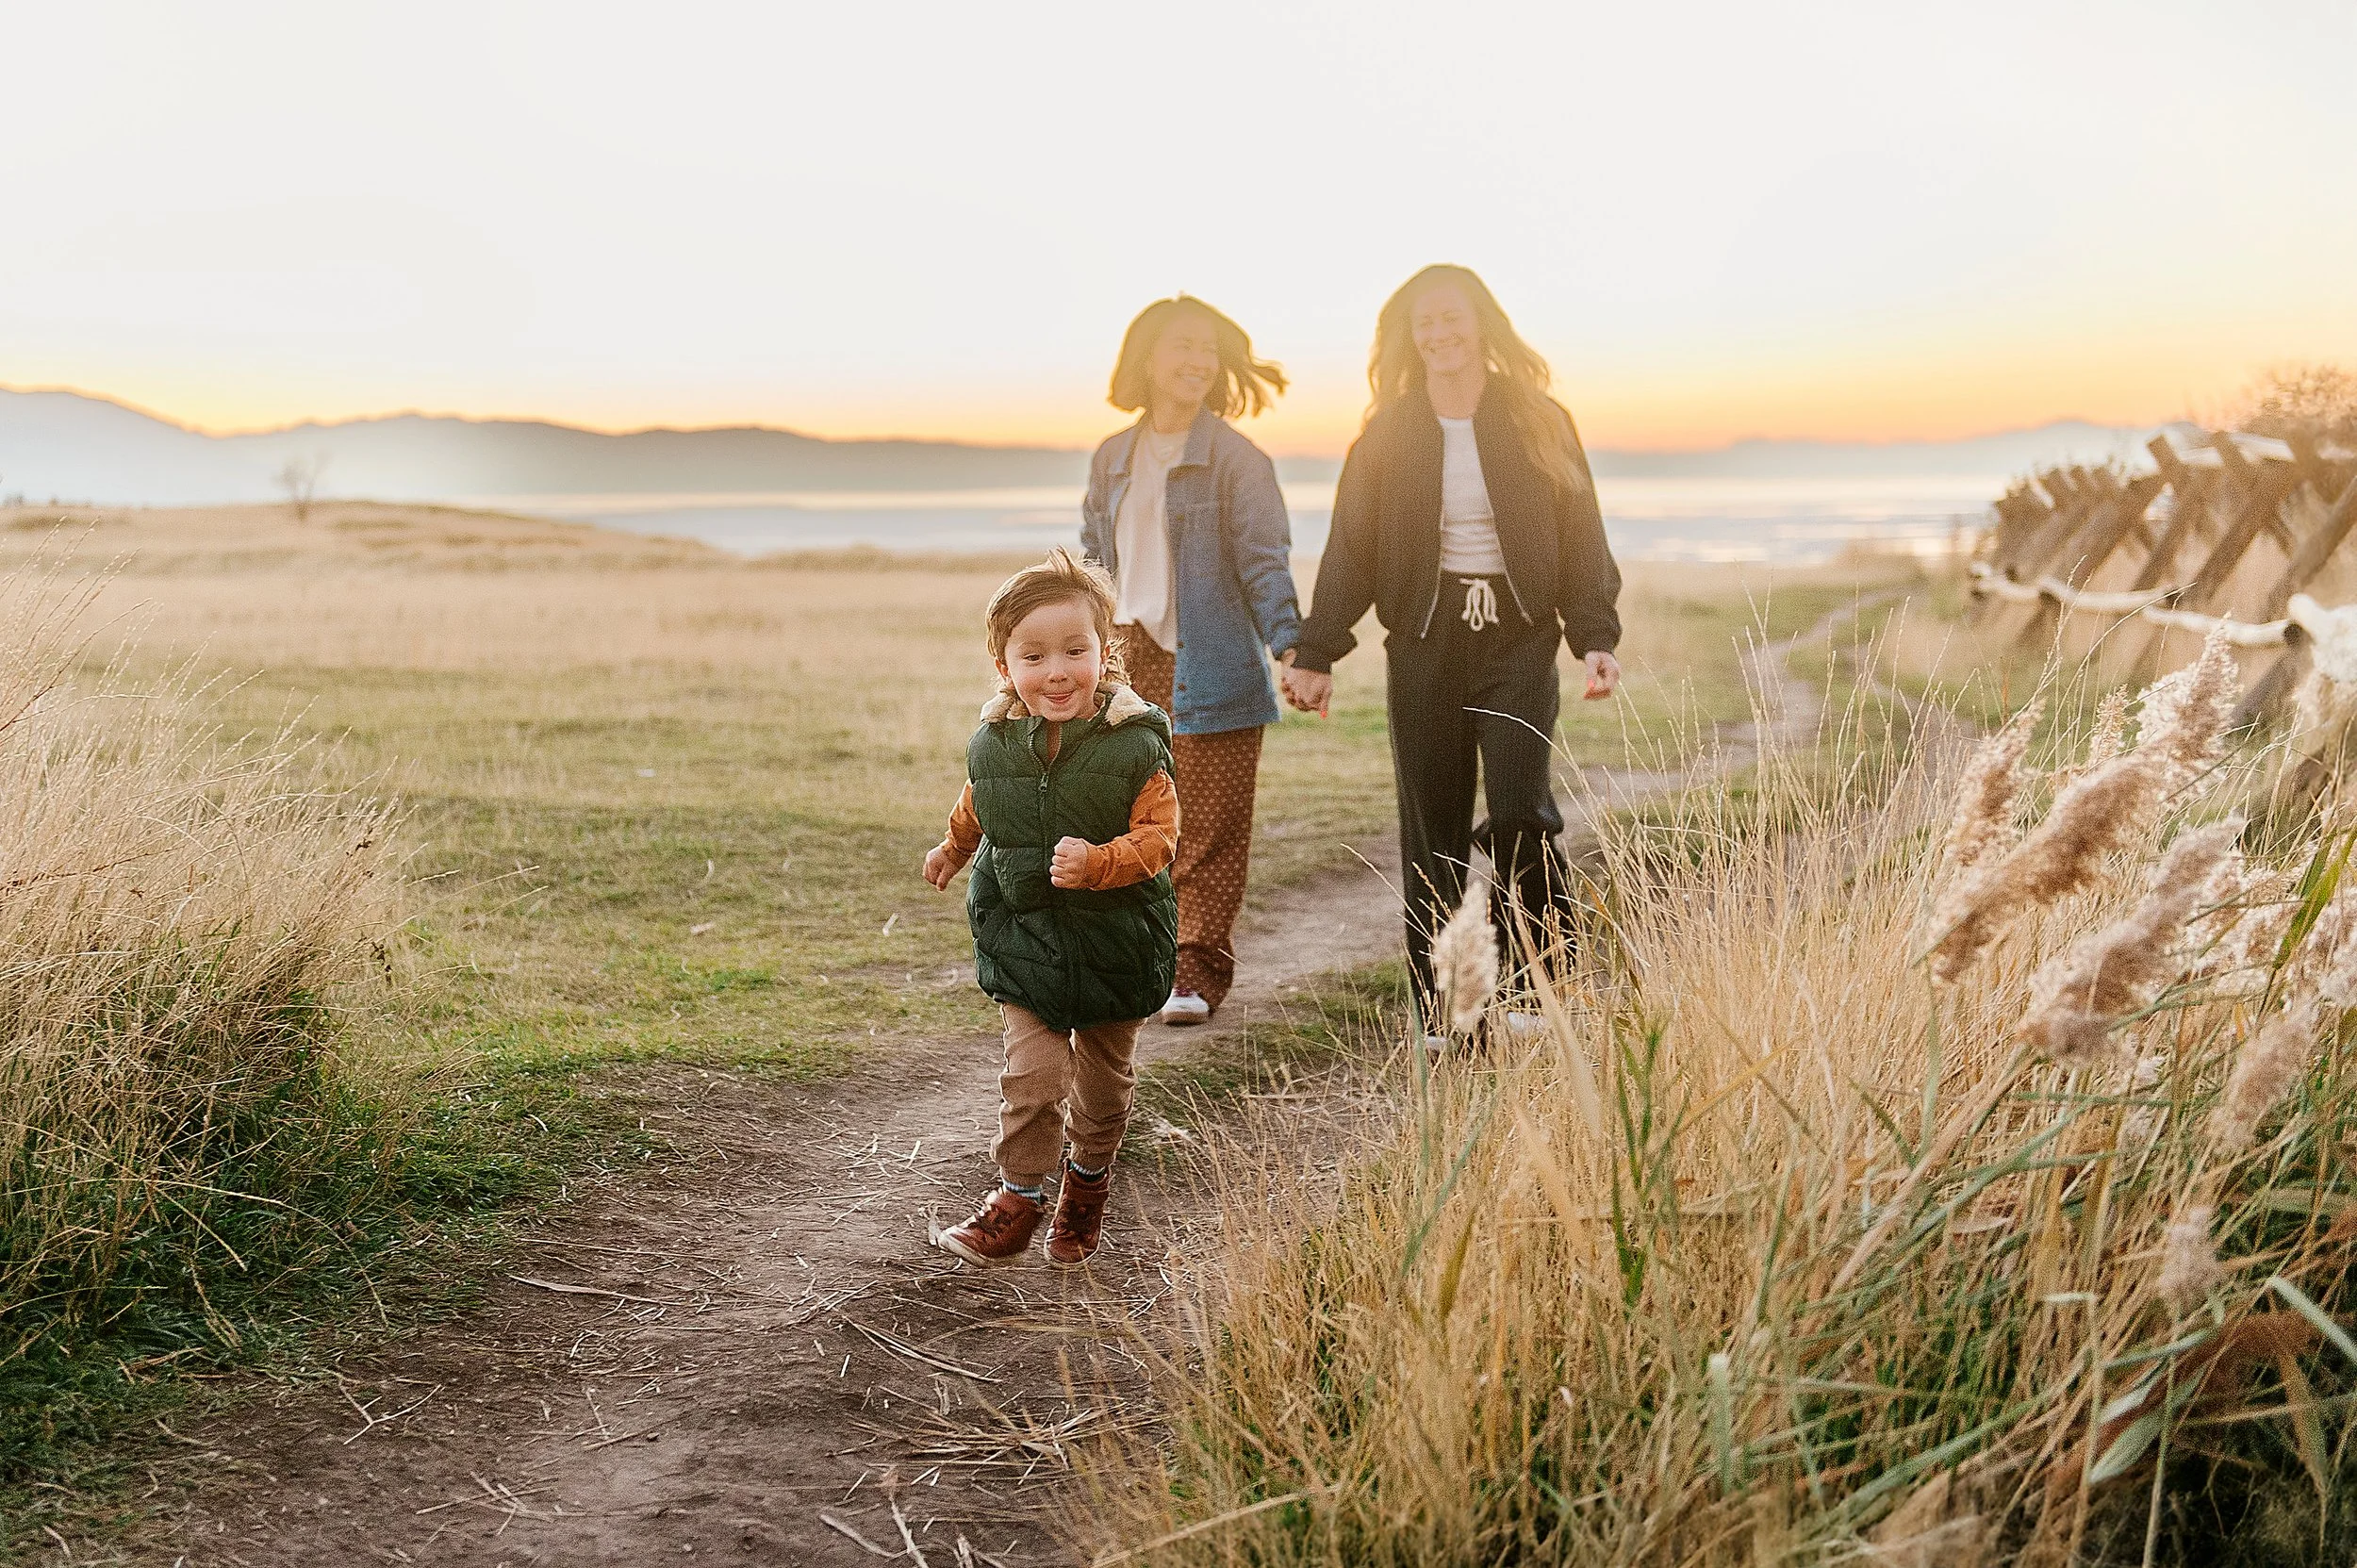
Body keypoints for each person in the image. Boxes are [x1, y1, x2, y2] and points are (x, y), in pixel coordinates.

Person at [1281, 264, 1622, 1035]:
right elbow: (1352, 548)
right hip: (1426, 645)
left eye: (1451, 317)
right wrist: (1317, 651)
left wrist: (1594, 636)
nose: (1439, 334)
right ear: (1410, 338)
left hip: (1518, 640)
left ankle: (1535, 987)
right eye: (1424, 323)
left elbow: (1581, 532)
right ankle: (1445, 1006)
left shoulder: (1538, 417)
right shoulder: (1388, 431)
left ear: (1481, 323)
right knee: (1431, 827)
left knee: (1521, 810)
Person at [921, 549, 1179, 1268]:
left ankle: (1087, 1183)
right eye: (1034, 656)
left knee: (1102, 1088)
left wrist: (1098, 862)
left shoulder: (1135, 745)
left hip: (1116, 942)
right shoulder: (995, 743)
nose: (1057, 670)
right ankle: (1017, 1198)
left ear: (1105, 651)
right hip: (1026, 934)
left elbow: (1160, 837)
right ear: (1005, 666)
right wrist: (951, 849)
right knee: (1031, 1077)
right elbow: (980, 804)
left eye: (1074, 650)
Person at [1081, 296, 1299, 1027]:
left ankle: (1195, 973)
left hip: (1213, 659)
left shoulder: (1238, 459)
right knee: (1130, 822)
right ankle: (1141, 963)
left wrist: (1290, 643)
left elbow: (1265, 562)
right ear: (1146, 357)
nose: (1198, 360)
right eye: (1182, 345)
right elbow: (1092, 559)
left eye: (1209, 349)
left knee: (1206, 830)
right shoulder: (1113, 456)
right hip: (1125, 661)